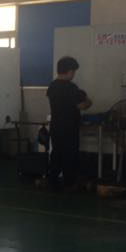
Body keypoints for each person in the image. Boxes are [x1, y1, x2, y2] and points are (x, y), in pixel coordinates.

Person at [46, 56, 92, 190]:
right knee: (70, 154)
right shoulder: (71, 88)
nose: (74, 74)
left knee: (56, 153)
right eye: (74, 71)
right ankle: (69, 182)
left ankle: (52, 181)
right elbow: (82, 105)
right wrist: (88, 101)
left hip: (55, 126)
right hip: (69, 127)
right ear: (70, 71)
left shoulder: (52, 86)